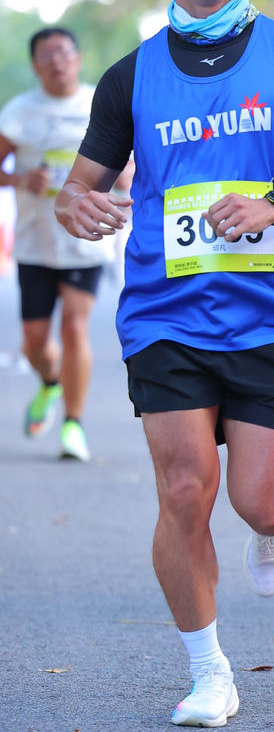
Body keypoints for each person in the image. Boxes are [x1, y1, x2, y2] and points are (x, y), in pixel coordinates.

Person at [55, 0, 274, 727]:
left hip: (272, 312)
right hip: (166, 312)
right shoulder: (130, 76)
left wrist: (273, 205)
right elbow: (77, 189)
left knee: (262, 501)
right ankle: (208, 671)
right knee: (184, 489)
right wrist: (75, 207)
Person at [0, 28, 128, 461]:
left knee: (75, 327)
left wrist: (125, 175)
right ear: (36, 65)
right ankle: (49, 383)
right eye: (47, 55)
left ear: (78, 58)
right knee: (34, 344)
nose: (57, 61)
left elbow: (130, 158)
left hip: (86, 238)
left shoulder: (99, 104)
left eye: (64, 52)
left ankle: (73, 424)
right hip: (35, 242)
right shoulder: (19, 112)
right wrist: (19, 179)